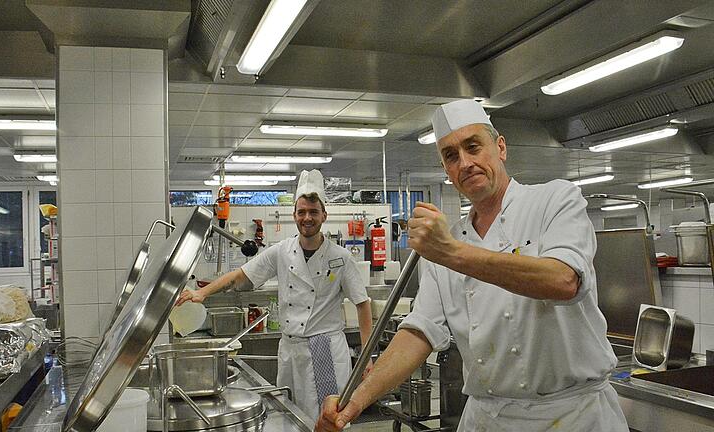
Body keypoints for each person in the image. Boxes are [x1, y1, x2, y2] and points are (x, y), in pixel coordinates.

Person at [315, 100, 629, 431]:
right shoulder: (447, 243)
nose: (465, 162)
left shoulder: (554, 200)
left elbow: (565, 281)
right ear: (446, 170)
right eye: (451, 156)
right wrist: (354, 403)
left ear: (500, 148)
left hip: (573, 416)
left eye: (473, 147)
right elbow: (419, 332)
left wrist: (451, 252)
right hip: (488, 418)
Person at [176, 169, 373, 423]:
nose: (307, 218)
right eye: (302, 212)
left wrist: (367, 358)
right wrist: (202, 293)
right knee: (289, 416)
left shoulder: (341, 258)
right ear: (294, 215)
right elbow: (240, 275)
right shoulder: (281, 252)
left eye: (313, 212)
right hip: (290, 349)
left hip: (324, 349)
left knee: (326, 421)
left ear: (324, 215)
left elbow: (363, 304)